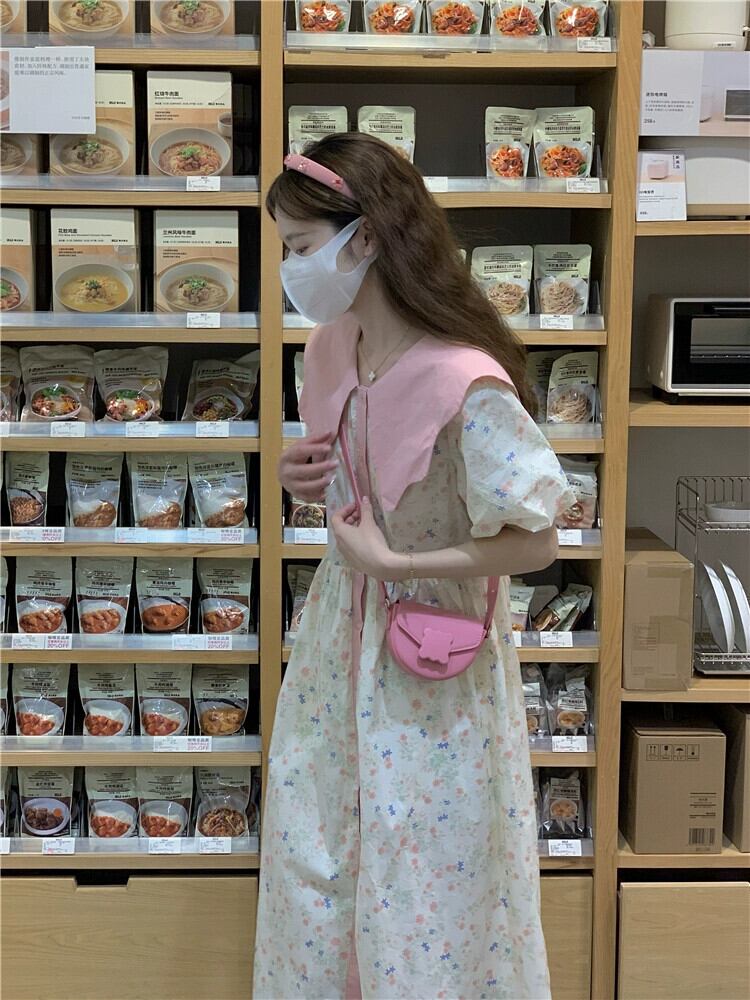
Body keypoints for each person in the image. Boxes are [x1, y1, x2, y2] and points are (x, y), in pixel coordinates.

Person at [253, 132, 576, 1000]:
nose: (291, 269)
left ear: (365, 236)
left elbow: (538, 540)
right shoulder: (331, 349)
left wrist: (397, 559)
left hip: (434, 658)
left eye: (300, 246)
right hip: (335, 651)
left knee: (428, 874)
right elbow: (354, 474)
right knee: (318, 858)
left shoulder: (463, 380)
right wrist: (298, 476)